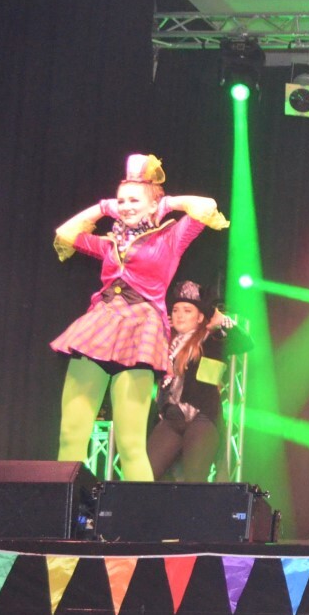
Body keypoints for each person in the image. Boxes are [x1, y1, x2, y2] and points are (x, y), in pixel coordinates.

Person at [51, 154, 227, 481]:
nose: (126, 206)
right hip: (98, 328)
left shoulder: (171, 238)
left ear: (153, 205)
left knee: (131, 444)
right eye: (121, 200)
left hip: (141, 333)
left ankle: (133, 513)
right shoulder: (109, 244)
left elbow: (206, 206)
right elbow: (65, 233)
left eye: (134, 200)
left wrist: (166, 203)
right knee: (71, 434)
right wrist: (103, 207)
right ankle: (63, 508)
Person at [147, 281, 249, 481]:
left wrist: (221, 321)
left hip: (201, 419)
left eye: (187, 311)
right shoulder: (166, 343)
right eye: (176, 310)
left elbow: (245, 343)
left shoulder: (210, 340)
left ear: (200, 317)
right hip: (170, 419)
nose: (180, 315)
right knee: (144, 475)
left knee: (194, 482)